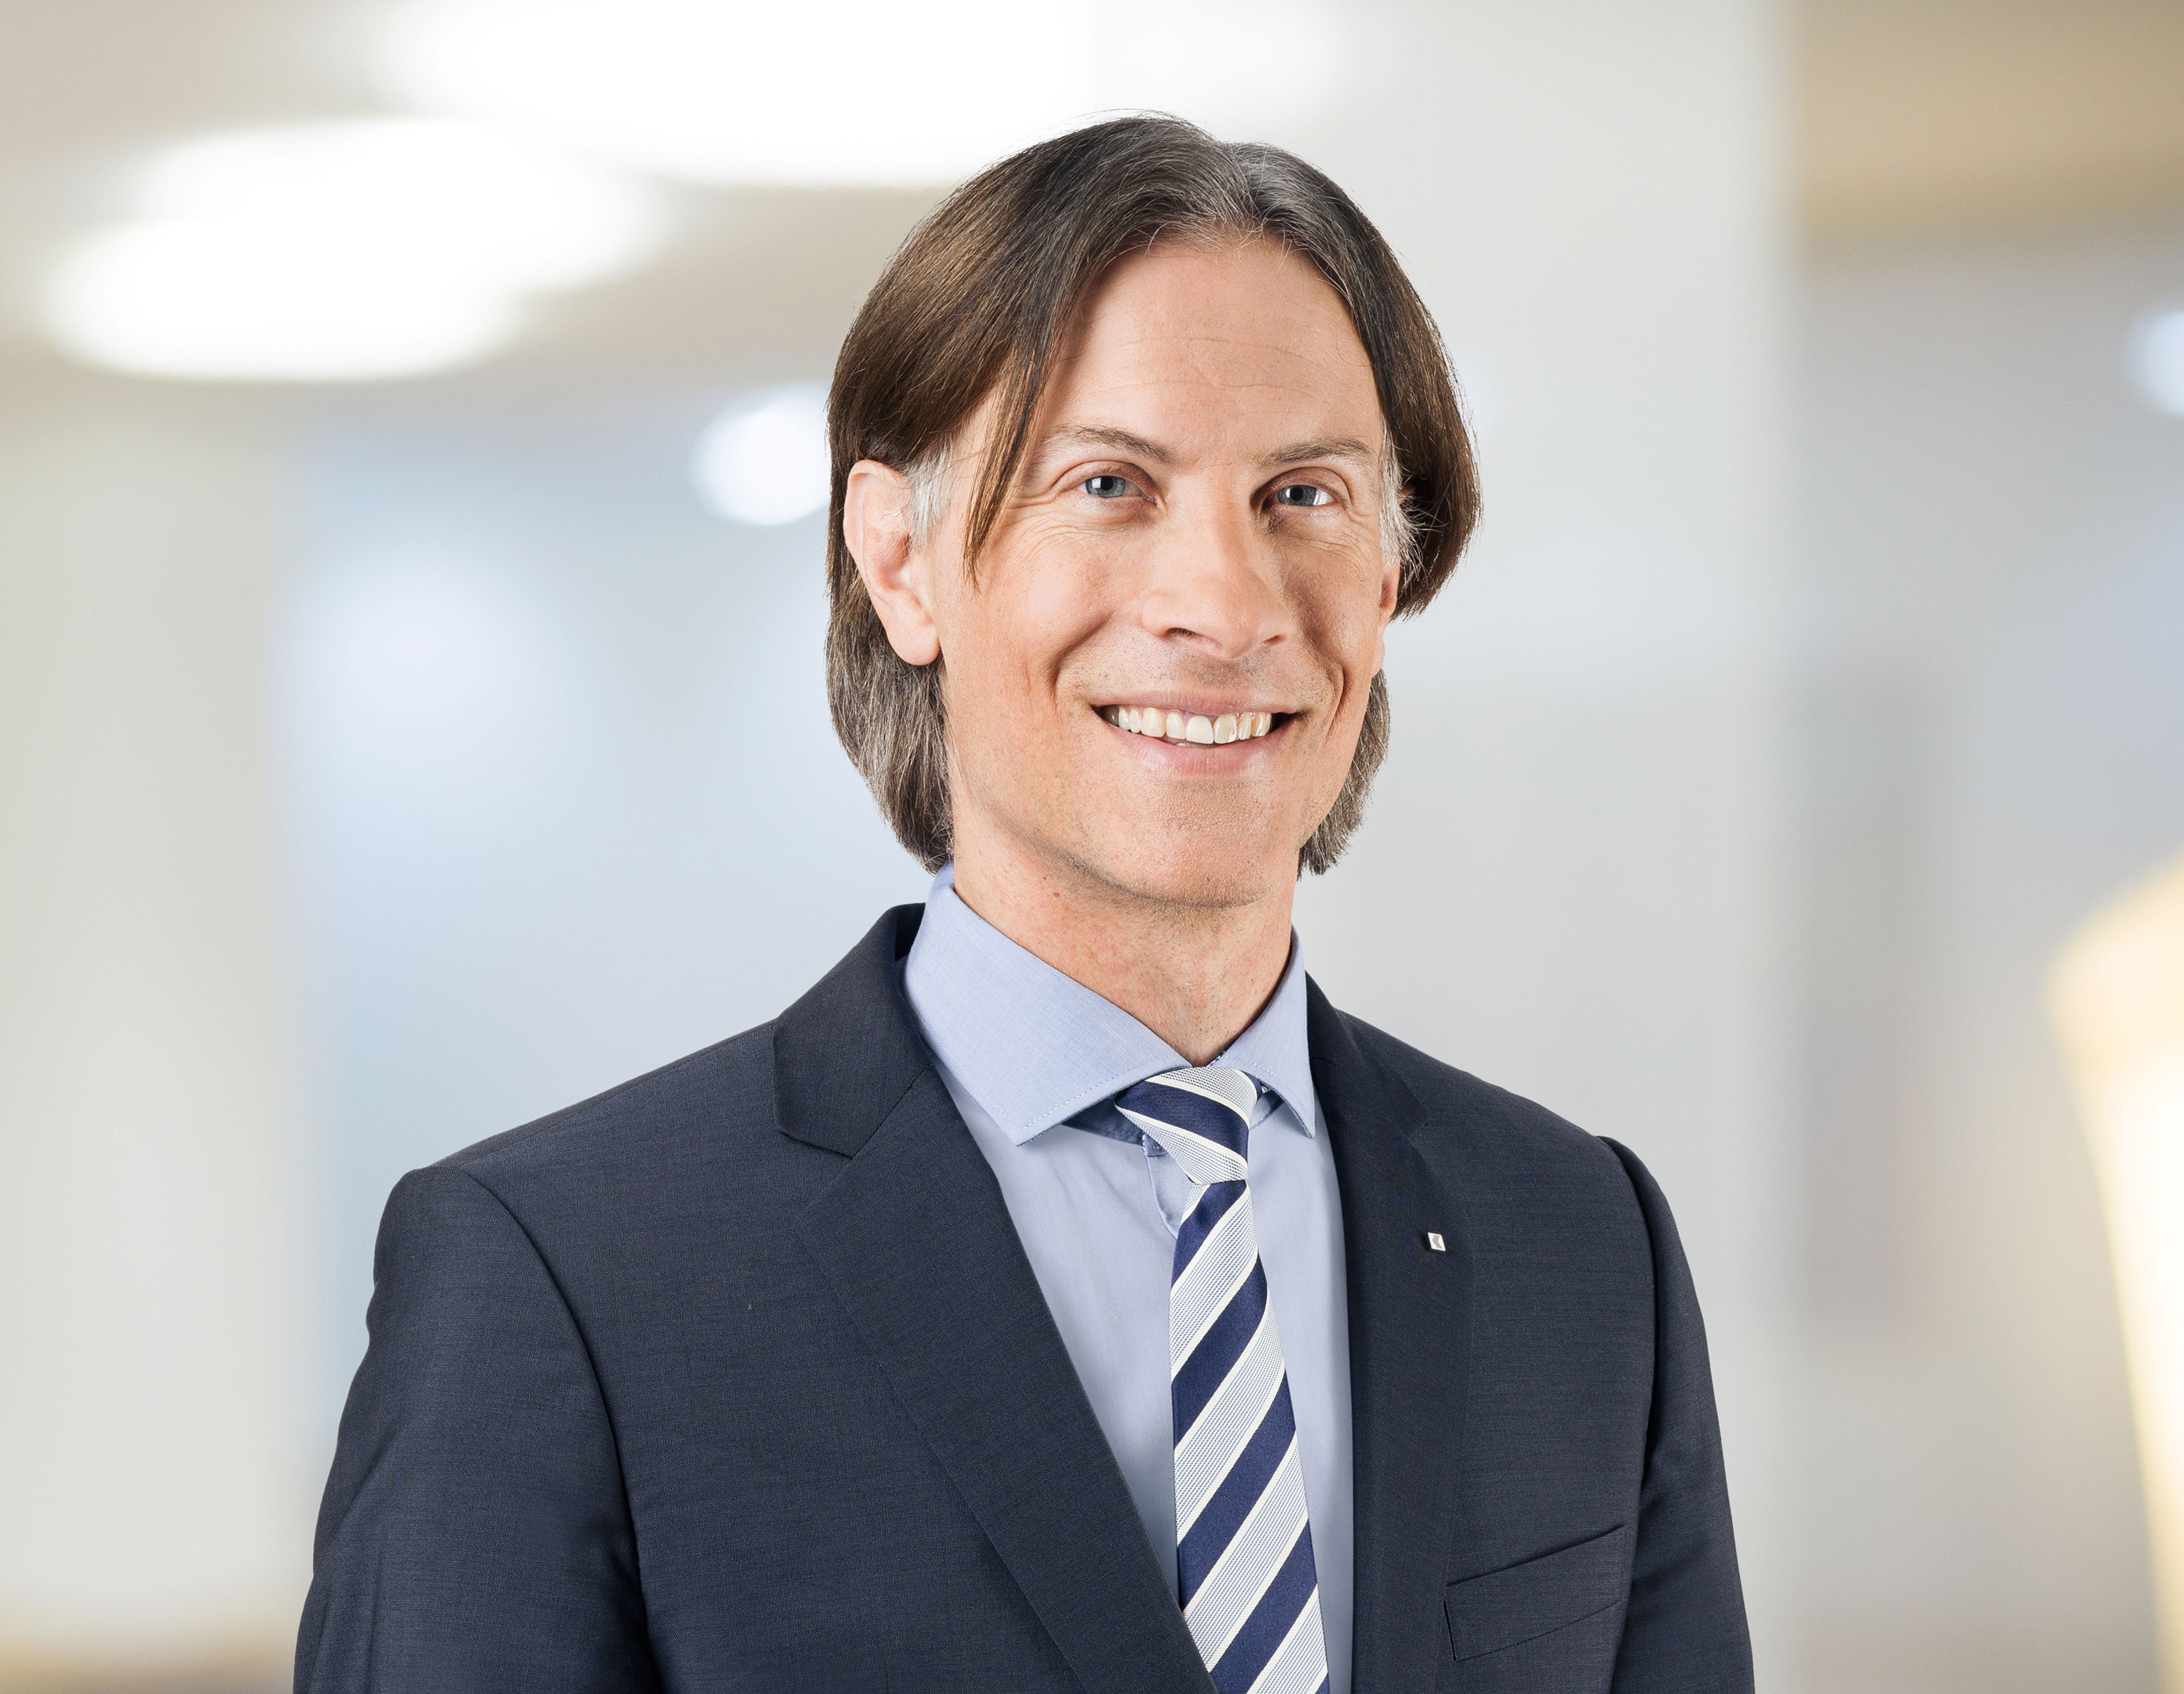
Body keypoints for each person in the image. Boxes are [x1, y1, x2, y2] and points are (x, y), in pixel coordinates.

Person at [297, 115, 1751, 1694]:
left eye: (1304, 494)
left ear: (1389, 577)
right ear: (899, 561)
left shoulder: (1580, 1243)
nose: (1225, 604)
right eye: (1110, 484)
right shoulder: (564, 1283)